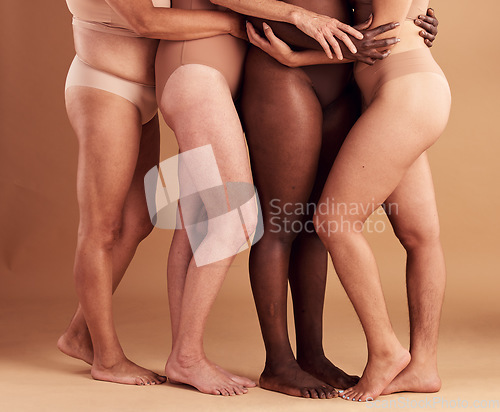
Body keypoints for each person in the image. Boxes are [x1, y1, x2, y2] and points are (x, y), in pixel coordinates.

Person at [58, 0, 365, 392]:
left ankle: (86, 334)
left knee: (168, 221)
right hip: (143, 76)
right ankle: (163, 357)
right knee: (230, 218)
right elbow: (145, 18)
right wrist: (267, 19)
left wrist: (406, 23)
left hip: (175, 74)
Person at [235, 0, 441, 399]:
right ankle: (280, 363)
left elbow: (386, 27)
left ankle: (317, 354)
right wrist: (297, 24)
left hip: (362, 78)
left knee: (323, 225)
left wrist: (416, 21)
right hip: (311, 75)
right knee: (284, 223)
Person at [58, 0, 250, 386]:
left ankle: (79, 334)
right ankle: (108, 360)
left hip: (148, 87)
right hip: (106, 84)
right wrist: (234, 23)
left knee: (138, 222)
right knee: (102, 228)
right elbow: (145, 21)